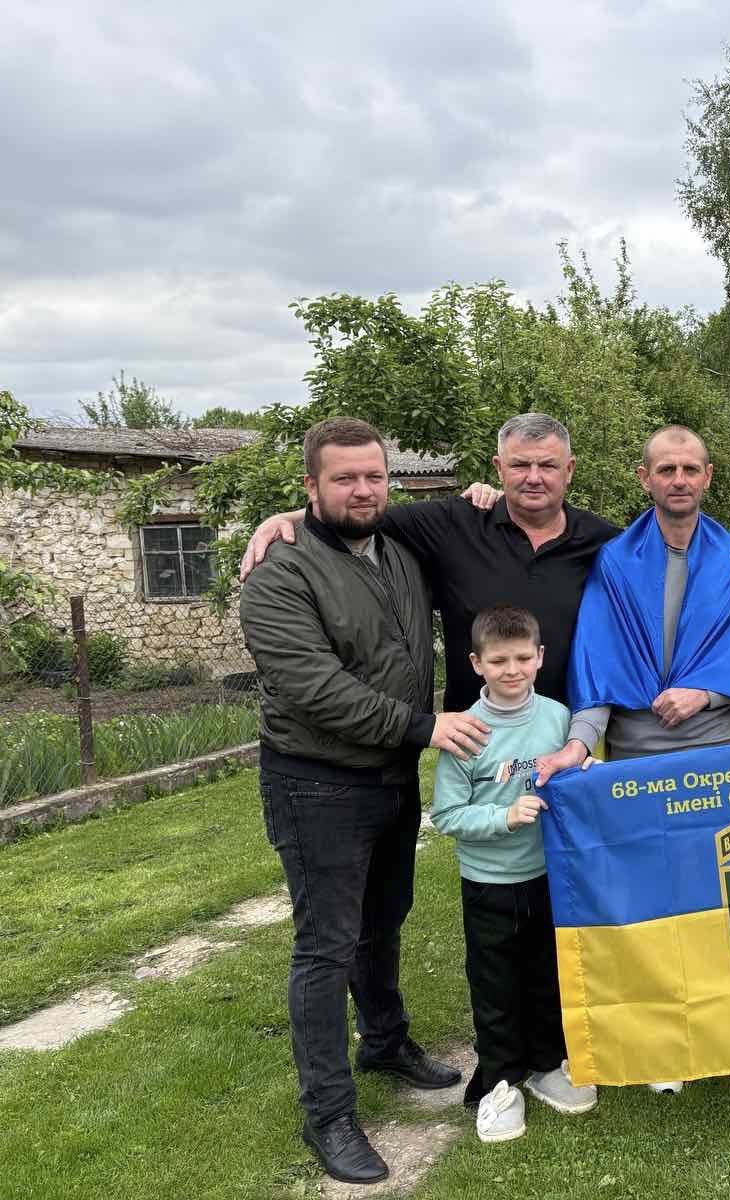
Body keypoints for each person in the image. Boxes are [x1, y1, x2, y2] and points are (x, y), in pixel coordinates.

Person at [240, 417, 481, 1186]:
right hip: (317, 780)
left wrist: (481, 495)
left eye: (374, 476)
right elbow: (312, 689)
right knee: (326, 946)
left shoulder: (401, 549)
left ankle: (384, 1041)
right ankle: (329, 1114)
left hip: (390, 777)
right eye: (344, 478)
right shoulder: (281, 570)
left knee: (385, 919)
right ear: (309, 486)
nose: (362, 489)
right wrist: (423, 725)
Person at [536, 425, 730, 1093]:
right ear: (643, 477)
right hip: (639, 756)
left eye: (689, 468)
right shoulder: (615, 561)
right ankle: (667, 1046)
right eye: (665, 469)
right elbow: (596, 661)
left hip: (721, 752)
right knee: (658, 903)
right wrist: (577, 740)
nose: (678, 479)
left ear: (708, 476)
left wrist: (705, 689)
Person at [239, 413, 730, 711]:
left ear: (570, 470)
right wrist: (290, 515)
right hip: (479, 737)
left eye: (547, 465)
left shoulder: (606, 544)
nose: (533, 477)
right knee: (492, 887)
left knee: (572, 889)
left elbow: (681, 571)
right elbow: (362, 508)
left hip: (572, 730)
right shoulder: (451, 523)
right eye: (519, 465)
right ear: (499, 467)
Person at [430, 606, 599, 1143]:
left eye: (523, 658)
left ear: (540, 657)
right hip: (489, 883)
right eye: (498, 660)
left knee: (549, 972)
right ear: (475, 663)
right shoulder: (465, 731)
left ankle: (551, 1064)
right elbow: (447, 815)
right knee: (496, 983)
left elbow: (571, 776)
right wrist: (504, 816)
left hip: (550, 876)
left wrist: (584, 772)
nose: (512, 669)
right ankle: (501, 1081)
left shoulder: (556, 718)